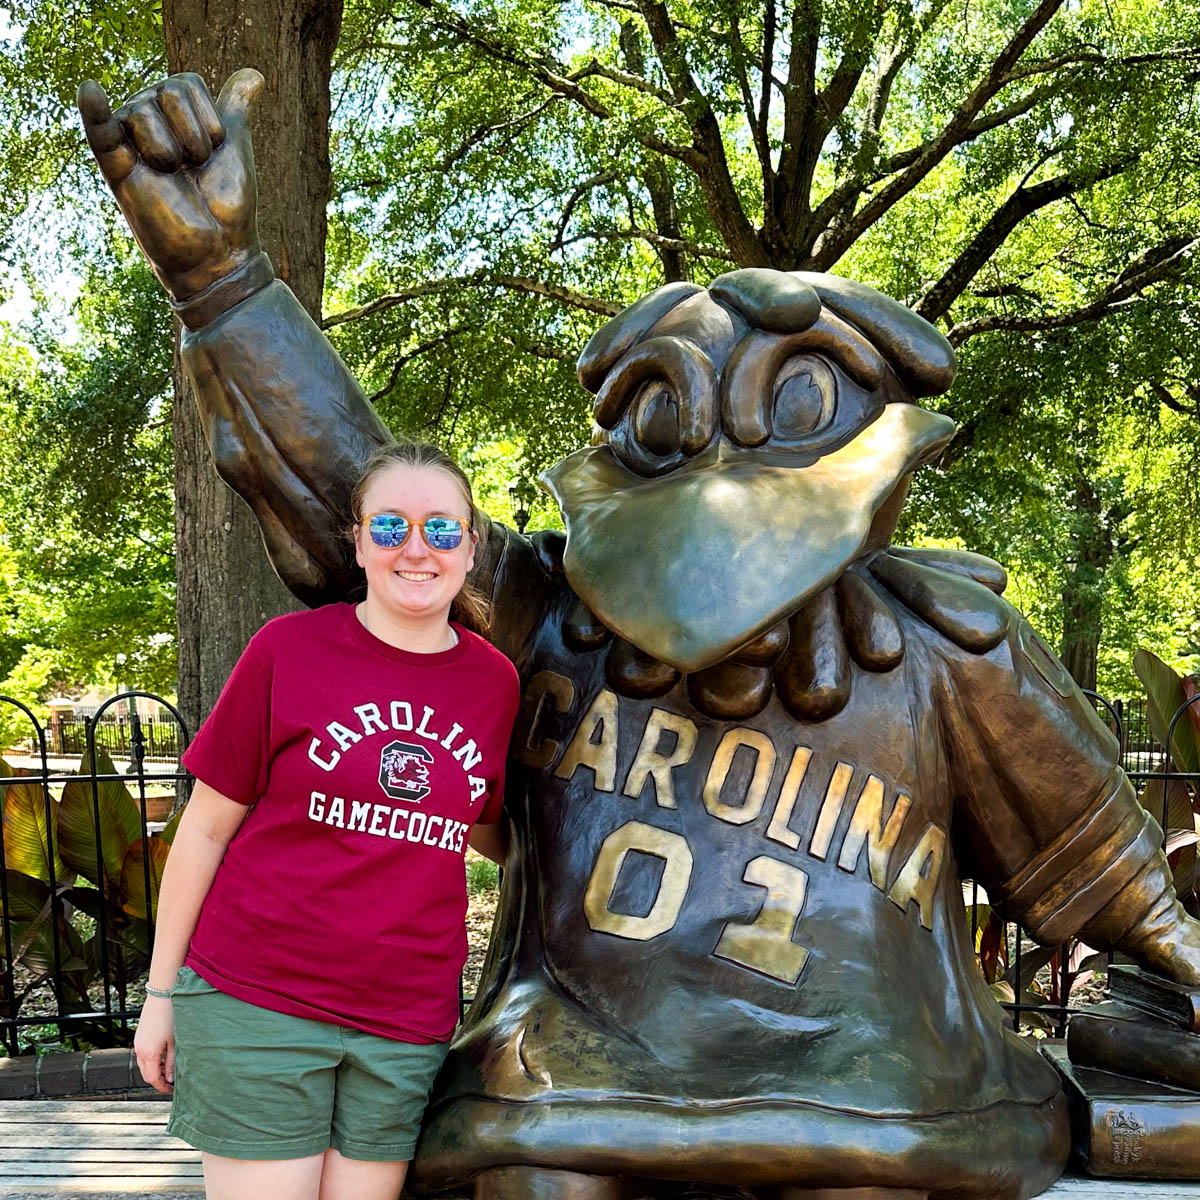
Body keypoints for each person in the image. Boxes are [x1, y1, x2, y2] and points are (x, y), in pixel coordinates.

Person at [132, 440, 521, 1200]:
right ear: (359, 542)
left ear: (470, 547)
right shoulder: (290, 650)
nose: (417, 549)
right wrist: (159, 995)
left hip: (404, 1023)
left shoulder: (494, 682)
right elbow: (205, 830)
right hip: (259, 1002)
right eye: (390, 527)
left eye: (442, 529)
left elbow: (487, 826)